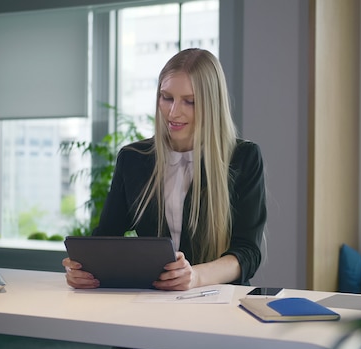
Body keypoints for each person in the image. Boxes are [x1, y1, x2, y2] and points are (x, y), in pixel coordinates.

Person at [62, 48, 267, 292]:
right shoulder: (133, 159)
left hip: (221, 302)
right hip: (154, 301)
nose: (173, 112)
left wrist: (195, 277)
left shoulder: (243, 158)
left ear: (212, 104)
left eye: (189, 101)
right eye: (166, 97)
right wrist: (84, 269)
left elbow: (247, 253)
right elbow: (106, 238)